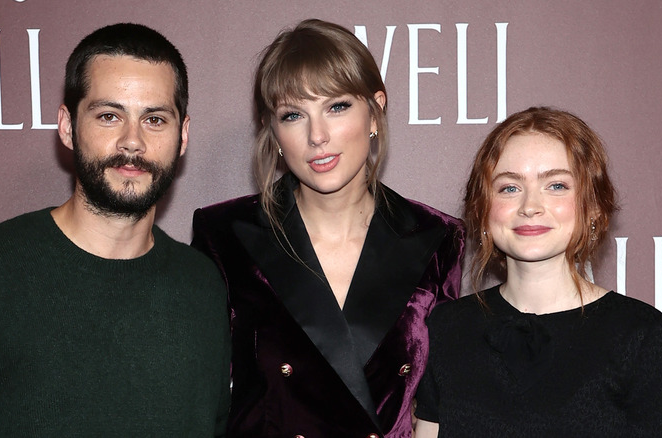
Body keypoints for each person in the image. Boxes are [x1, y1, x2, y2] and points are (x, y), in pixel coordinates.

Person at [0, 23, 230, 436]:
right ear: (68, 127)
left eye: (155, 119)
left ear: (183, 135)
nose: (132, 142)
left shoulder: (203, 286)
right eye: (109, 116)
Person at [191, 18, 464, 438]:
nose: (317, 135)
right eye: (293, 114)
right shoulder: (224, 234)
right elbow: (200, 397)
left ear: (375, 110)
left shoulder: (439, 237)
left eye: (336, 107)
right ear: (274, 133)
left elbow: (439, 404)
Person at [414, 107, 662, 437]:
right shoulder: (445, 329)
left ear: (593, 207)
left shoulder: (642, 335)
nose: (530, 206)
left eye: (557, 185)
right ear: (483, 210)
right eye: (509, 188)